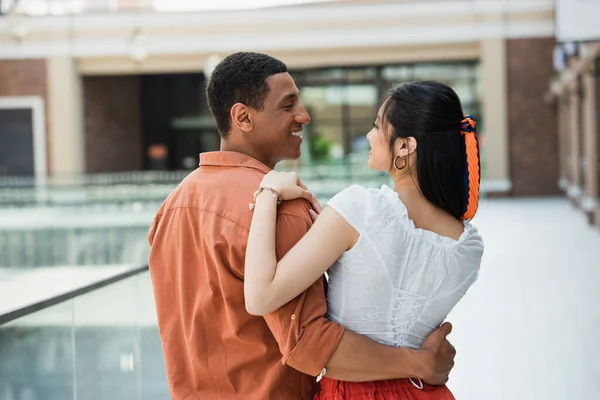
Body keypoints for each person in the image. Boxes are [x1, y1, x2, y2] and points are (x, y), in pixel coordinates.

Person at [148, 53, 456, 400]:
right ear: (243, 117)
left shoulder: (171, 207)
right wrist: (420, 363)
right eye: (288, 105)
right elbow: (314, 345)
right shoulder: (283, 209)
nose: (304, 115)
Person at [244, 81, 485, 399]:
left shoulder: (361, 208)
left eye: (376, 127)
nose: (370, 136)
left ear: (405, 146)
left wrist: (267, 191)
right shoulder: (469, 246)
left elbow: (259, 297)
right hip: (425, 390)